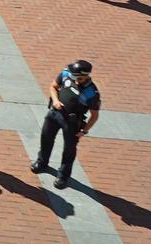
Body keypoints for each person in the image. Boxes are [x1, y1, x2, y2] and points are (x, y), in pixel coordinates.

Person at [31, 60, 101, 189]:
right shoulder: (66, 74)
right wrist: (56, 100)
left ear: (84, 75)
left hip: (72, 122)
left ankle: (63, 175)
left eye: (76, 76)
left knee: (69, 150)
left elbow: (94, 115)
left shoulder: (91, 93)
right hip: (54, 114)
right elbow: (53, 87)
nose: (72, 77)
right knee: (46, 138)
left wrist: (84, 131)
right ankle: (42, 162)